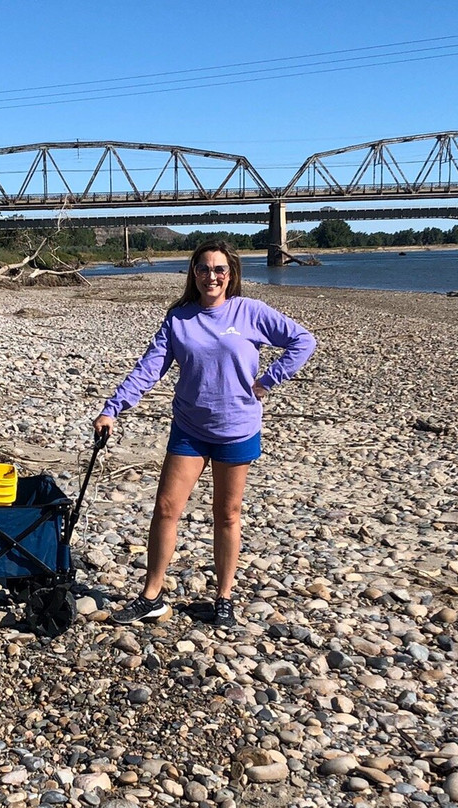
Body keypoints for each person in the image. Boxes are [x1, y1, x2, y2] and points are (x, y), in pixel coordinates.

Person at [93, 240, 316, 627]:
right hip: (190, 429)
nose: (211, 276)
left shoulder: (249, 311)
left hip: (237, 429)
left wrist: (268, 380)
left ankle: (224, 598)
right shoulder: (179, 319)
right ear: (193, 274)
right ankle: (151, 595)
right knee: (166, 509)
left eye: (219, 269)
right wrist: (112, 408)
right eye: (203, 269)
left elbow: (303, 340)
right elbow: (149, 369)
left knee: (227, 515)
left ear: (231, 274)